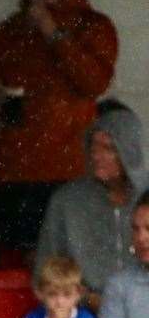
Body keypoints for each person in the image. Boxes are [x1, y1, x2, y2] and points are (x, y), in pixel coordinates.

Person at [0, 0, 119, 250]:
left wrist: (51, 31)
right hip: (18, 171)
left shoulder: (94, 25)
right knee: (18, 266)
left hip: (71, 168)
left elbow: (93, 83)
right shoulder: (8, 31)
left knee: (72, 265)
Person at [36, 106, 146, 298]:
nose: (96, 156)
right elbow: (46, 271)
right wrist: (87, 300)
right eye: (93, 147)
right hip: (82, 310)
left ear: (130, 152)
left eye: (108, 149)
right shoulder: (68, 200)